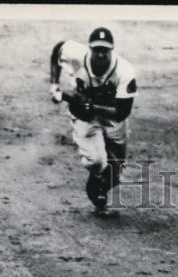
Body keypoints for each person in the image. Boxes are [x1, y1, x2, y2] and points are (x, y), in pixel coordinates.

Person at [49, 27, 136, 216]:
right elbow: (58, 50)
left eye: (105, 50)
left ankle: (100, 185)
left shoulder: (124, 71)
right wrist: (54, 84)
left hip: (113, 115)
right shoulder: (77, 56)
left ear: (112, 50)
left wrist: (93, 106)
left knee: (115, 172)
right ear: (90, 49)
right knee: (96, 161)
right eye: (97, 49)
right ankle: (97, 188)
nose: (101, 54)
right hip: (84, 116)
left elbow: (122, 112)